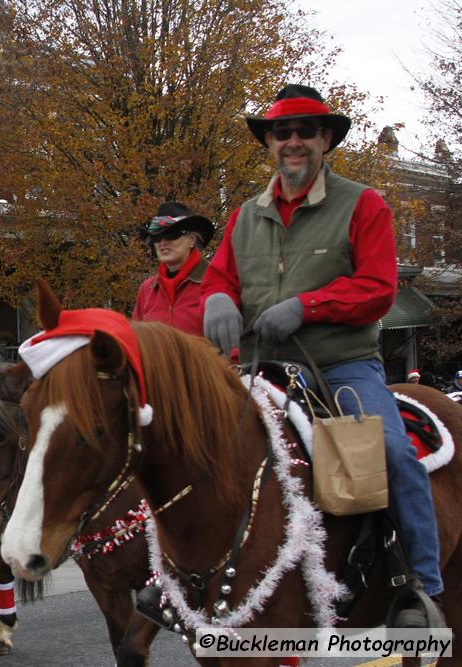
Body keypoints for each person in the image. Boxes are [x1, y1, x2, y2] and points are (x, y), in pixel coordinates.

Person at [202, 83, 443, 626]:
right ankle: (179, 577)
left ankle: (419, 587)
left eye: (305, 131)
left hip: (340, 365)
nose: (292, 141)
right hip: (258, 366)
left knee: (392, 452)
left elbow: (379, 287)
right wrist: (216, 296)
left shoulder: (363, 204)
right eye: (281, 132)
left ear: (325, 139)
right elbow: (221, 277)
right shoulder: (244, 216)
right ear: (268, 143)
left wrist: (306, 306)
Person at [132, 202, 216, 336]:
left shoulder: (216, 282)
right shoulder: (146, 290)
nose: (163, 242)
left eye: (172, 235)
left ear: (192, 239)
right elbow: (137, 341)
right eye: (157, 237)